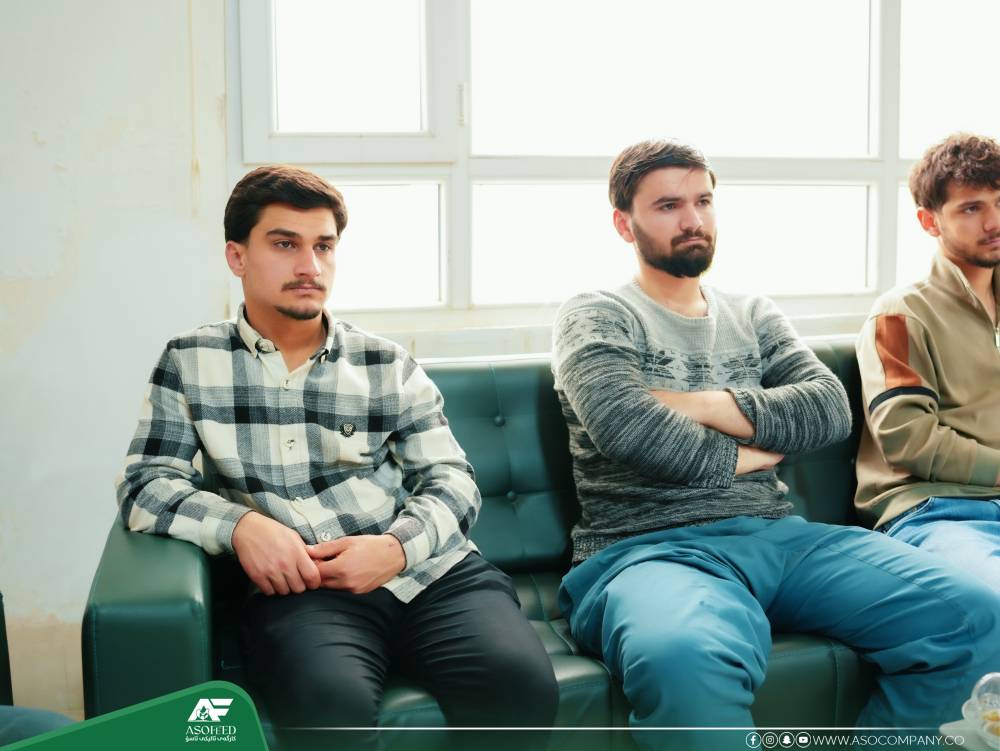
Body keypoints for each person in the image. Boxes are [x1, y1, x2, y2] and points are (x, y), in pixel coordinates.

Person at [551, 139, 1000, 750]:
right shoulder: (595, 314)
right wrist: (748, 454)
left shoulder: (753, 314)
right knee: (684, 656)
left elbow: (828, 410)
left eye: (703, 201)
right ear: (623, 225)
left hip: (779, 537)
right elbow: (628, 427)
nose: (693, 219)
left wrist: (707, 404)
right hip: (648, 550)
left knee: (974, 617)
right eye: (668, 206)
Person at [116, 166, 558, 744]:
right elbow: (147, 482)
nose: (310, 266)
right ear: (237, 256)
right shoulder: (190, 360)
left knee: (521, 684)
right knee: (330, 706)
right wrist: (242, 527)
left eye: (323, 246)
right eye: (285, 244)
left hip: (429, 572)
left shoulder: (385, 362)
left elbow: (451, 478)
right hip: (302, 591)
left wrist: (394, 549)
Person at [855, 133, 1000, 591]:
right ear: (929, 221)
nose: (994, 221)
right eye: (971, 208)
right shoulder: (898, 315)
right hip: (937, 511)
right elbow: (908, 438)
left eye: (999, 203)